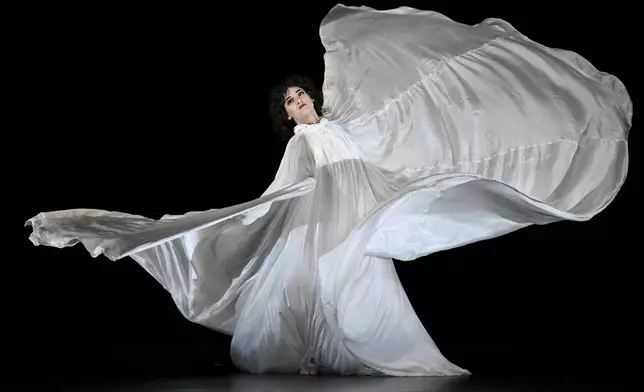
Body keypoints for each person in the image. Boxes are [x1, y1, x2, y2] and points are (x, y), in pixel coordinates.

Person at [25, 4, 631, 376]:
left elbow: (390, 135)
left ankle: (361, 354)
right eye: (290, 100)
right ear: (286, 115)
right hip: (316, 221)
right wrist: (266, 210)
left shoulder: (343, 124)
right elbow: (285, 188)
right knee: (309, 290)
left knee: (358, 289)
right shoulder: (301, 143)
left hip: (357, 216)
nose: (300, 100)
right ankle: (309, 356)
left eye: (301, 92)